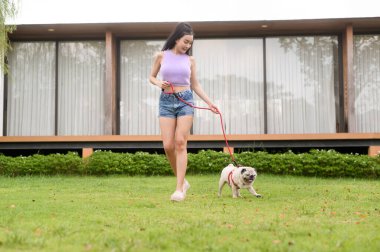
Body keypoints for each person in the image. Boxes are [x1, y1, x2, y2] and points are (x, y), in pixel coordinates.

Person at [149, 22, 218, 202]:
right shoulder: (161, 56)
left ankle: (179, 189)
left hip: (185, 100)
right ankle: (183, 182)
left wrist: (210, 103)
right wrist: (158, 83)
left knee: (180, 142)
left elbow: (195, 85)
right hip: (165, 101)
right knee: (168, 146)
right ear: (177, 37)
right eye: (185, 41)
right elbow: (151, 77)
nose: (187, 46)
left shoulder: (190, 60)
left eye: (190, 43)